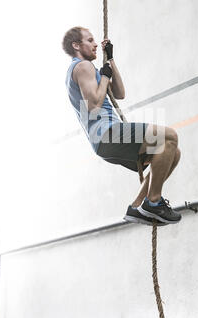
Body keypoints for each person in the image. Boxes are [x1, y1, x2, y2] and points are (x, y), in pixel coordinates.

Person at [63, 26, 182, 226]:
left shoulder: (88, 70)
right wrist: (105, 77)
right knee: (169, 136)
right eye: (90, 40)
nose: (94, 44)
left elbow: (119, 93)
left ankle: (136, 208)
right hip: (106, 133)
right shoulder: (82, 67)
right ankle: (153, 202)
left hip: (105, 141)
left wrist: (110, 60)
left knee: (172, 152)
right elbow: (93, 106)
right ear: (76, 45)